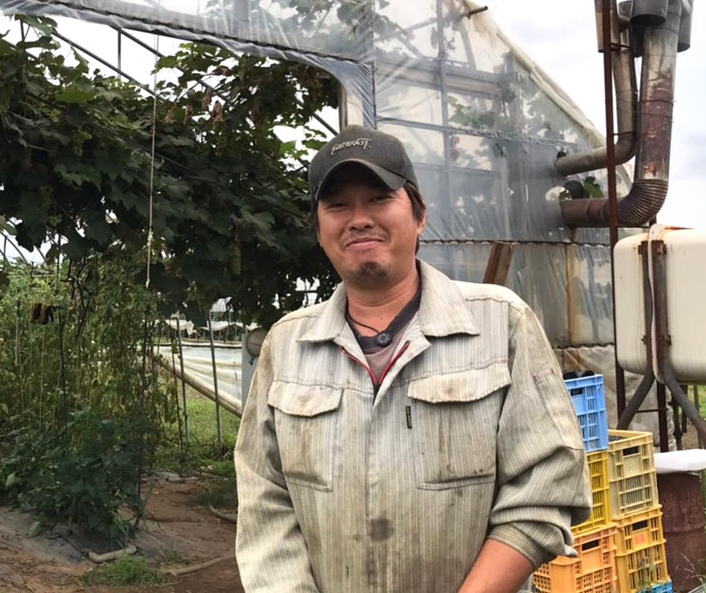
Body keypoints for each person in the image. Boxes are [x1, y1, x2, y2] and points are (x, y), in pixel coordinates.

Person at [234, 125, 591, 593]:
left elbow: (546, 488)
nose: (359, 219)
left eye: (379, 198)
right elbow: (265, 502)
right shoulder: (286, 345)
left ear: (419, 214)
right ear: (319, 231)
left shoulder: (501, 324)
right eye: (338, 205)